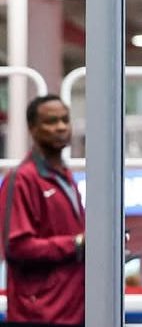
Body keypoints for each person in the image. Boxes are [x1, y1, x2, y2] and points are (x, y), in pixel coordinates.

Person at [0, 96, 85, 327]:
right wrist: (76, 244)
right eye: (51, 121)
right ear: (32, 129)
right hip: (38, 316)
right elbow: (16, 247)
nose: (60, 127)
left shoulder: (66, 178)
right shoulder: (21, 180)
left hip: (73, 312)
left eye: (65, 120)